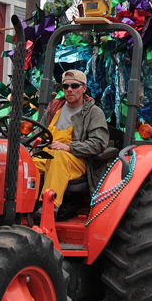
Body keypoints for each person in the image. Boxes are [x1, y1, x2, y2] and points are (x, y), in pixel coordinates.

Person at [34, 70, 109, 216]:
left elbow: (98, 143)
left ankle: (48, 209)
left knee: (58, 157)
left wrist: (68, 147)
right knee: (23, 164)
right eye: (65, 86)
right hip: (48, 154)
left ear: (84, 88)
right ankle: (17, 206)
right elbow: (38, 134)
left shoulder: (93, 113)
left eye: (74, 86)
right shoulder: (53, 109)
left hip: (77, 159)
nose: (69, 89)